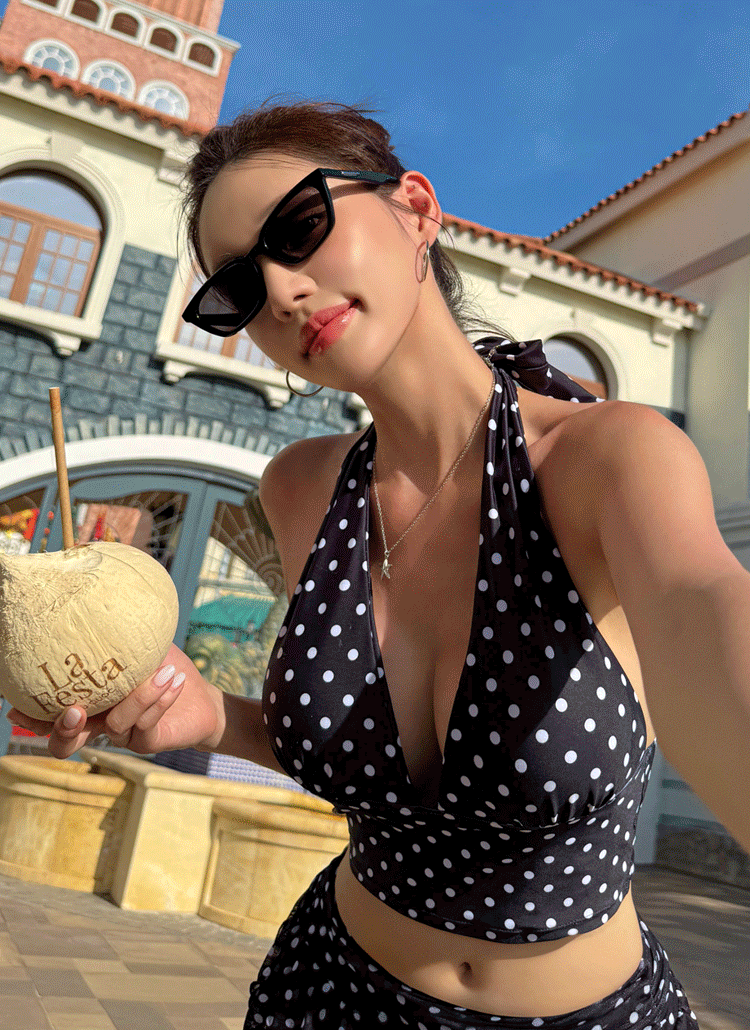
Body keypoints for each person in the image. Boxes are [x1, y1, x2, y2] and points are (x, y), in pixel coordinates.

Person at [9, 101, 750, 1029]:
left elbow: (700, 610)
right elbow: (386, 771)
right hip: (328, 991)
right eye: (238, 288)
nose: (281, 291)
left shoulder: (603, 460)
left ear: (416, 209)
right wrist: (215, 720)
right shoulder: (301, 488)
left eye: (298, 228)